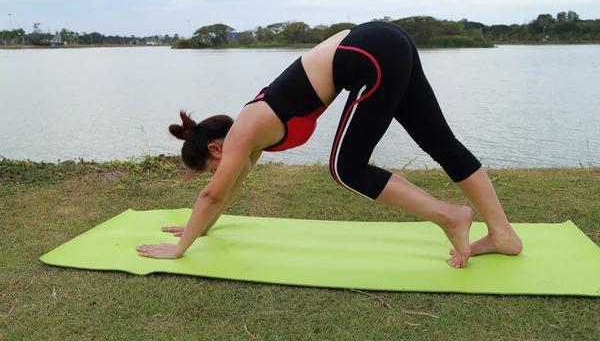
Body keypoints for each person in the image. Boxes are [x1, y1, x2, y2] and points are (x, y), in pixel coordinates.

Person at [136, 21, 522, 268]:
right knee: (440, 142)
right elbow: (227, 191)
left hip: (371, 52)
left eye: (211, 168)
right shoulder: (250, 132)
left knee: (345, 167)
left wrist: (180, 248)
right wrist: (198, 230)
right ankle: (503, 234)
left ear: (215, 150)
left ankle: (450, 216)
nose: (218, 175)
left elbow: (211, 196)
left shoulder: (242, 132)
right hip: (385, 43)